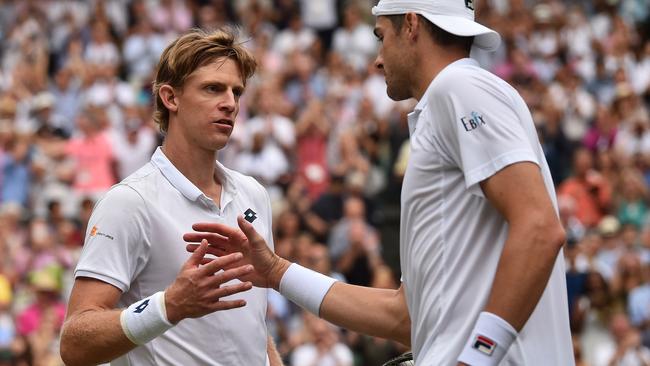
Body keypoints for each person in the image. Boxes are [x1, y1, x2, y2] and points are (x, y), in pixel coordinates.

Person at [186, 1, 575, 365]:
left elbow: (540, 228)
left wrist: (476, 356)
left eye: (380, 36)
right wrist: (276, 272)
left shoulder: (459, 86)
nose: (376, 59)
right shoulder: (453, 99)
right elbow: (403, 317)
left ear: (411, 24)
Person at [59, 29, 282, 365]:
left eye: (236, 91)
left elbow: (250, 322)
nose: (230, 103)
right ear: (170, 97)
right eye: (212, 88)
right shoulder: (129, 201)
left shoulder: (254, 193)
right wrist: (169, 306)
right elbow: (75, 342)